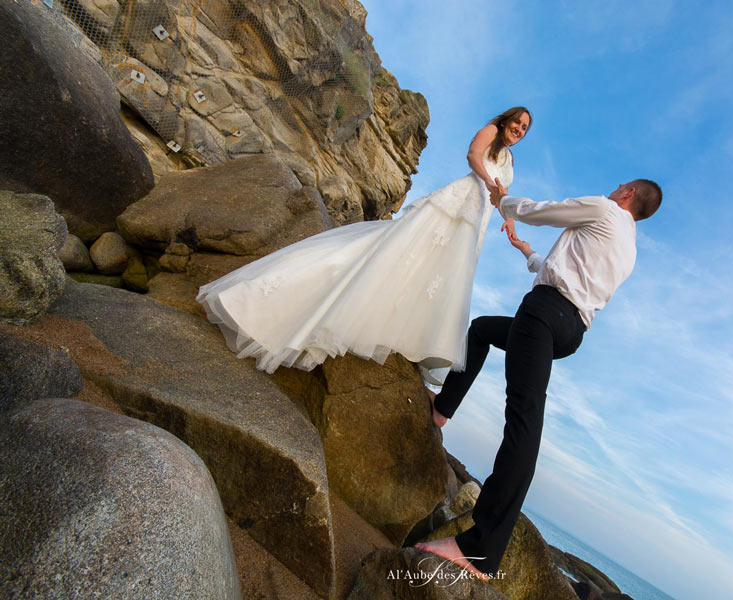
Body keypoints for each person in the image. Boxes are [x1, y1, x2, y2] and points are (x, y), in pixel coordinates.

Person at [416, 178, 663, 580]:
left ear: (628, 194)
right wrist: (525, 250)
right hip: (569, 330)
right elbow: (568, 274)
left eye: (620, 185)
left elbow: (543, 211)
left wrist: (503, 202)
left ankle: (478, 549)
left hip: (546, 313)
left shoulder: (603, 208)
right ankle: (443, 408)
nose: (615, 187)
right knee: (481, 330)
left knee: (524, 421)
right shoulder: (628, 249)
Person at [196, 107, 531, 378]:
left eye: (524, 128)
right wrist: (489, 182)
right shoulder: (490, 134)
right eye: (517, 122)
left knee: (437, 277)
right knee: (403, 255)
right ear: (506, 120)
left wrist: (510, 221)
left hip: (475, 221)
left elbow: (502, 197)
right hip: (453, 207)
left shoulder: (511, 161)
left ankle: (407, 336)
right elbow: (473, 156)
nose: (518, 129)